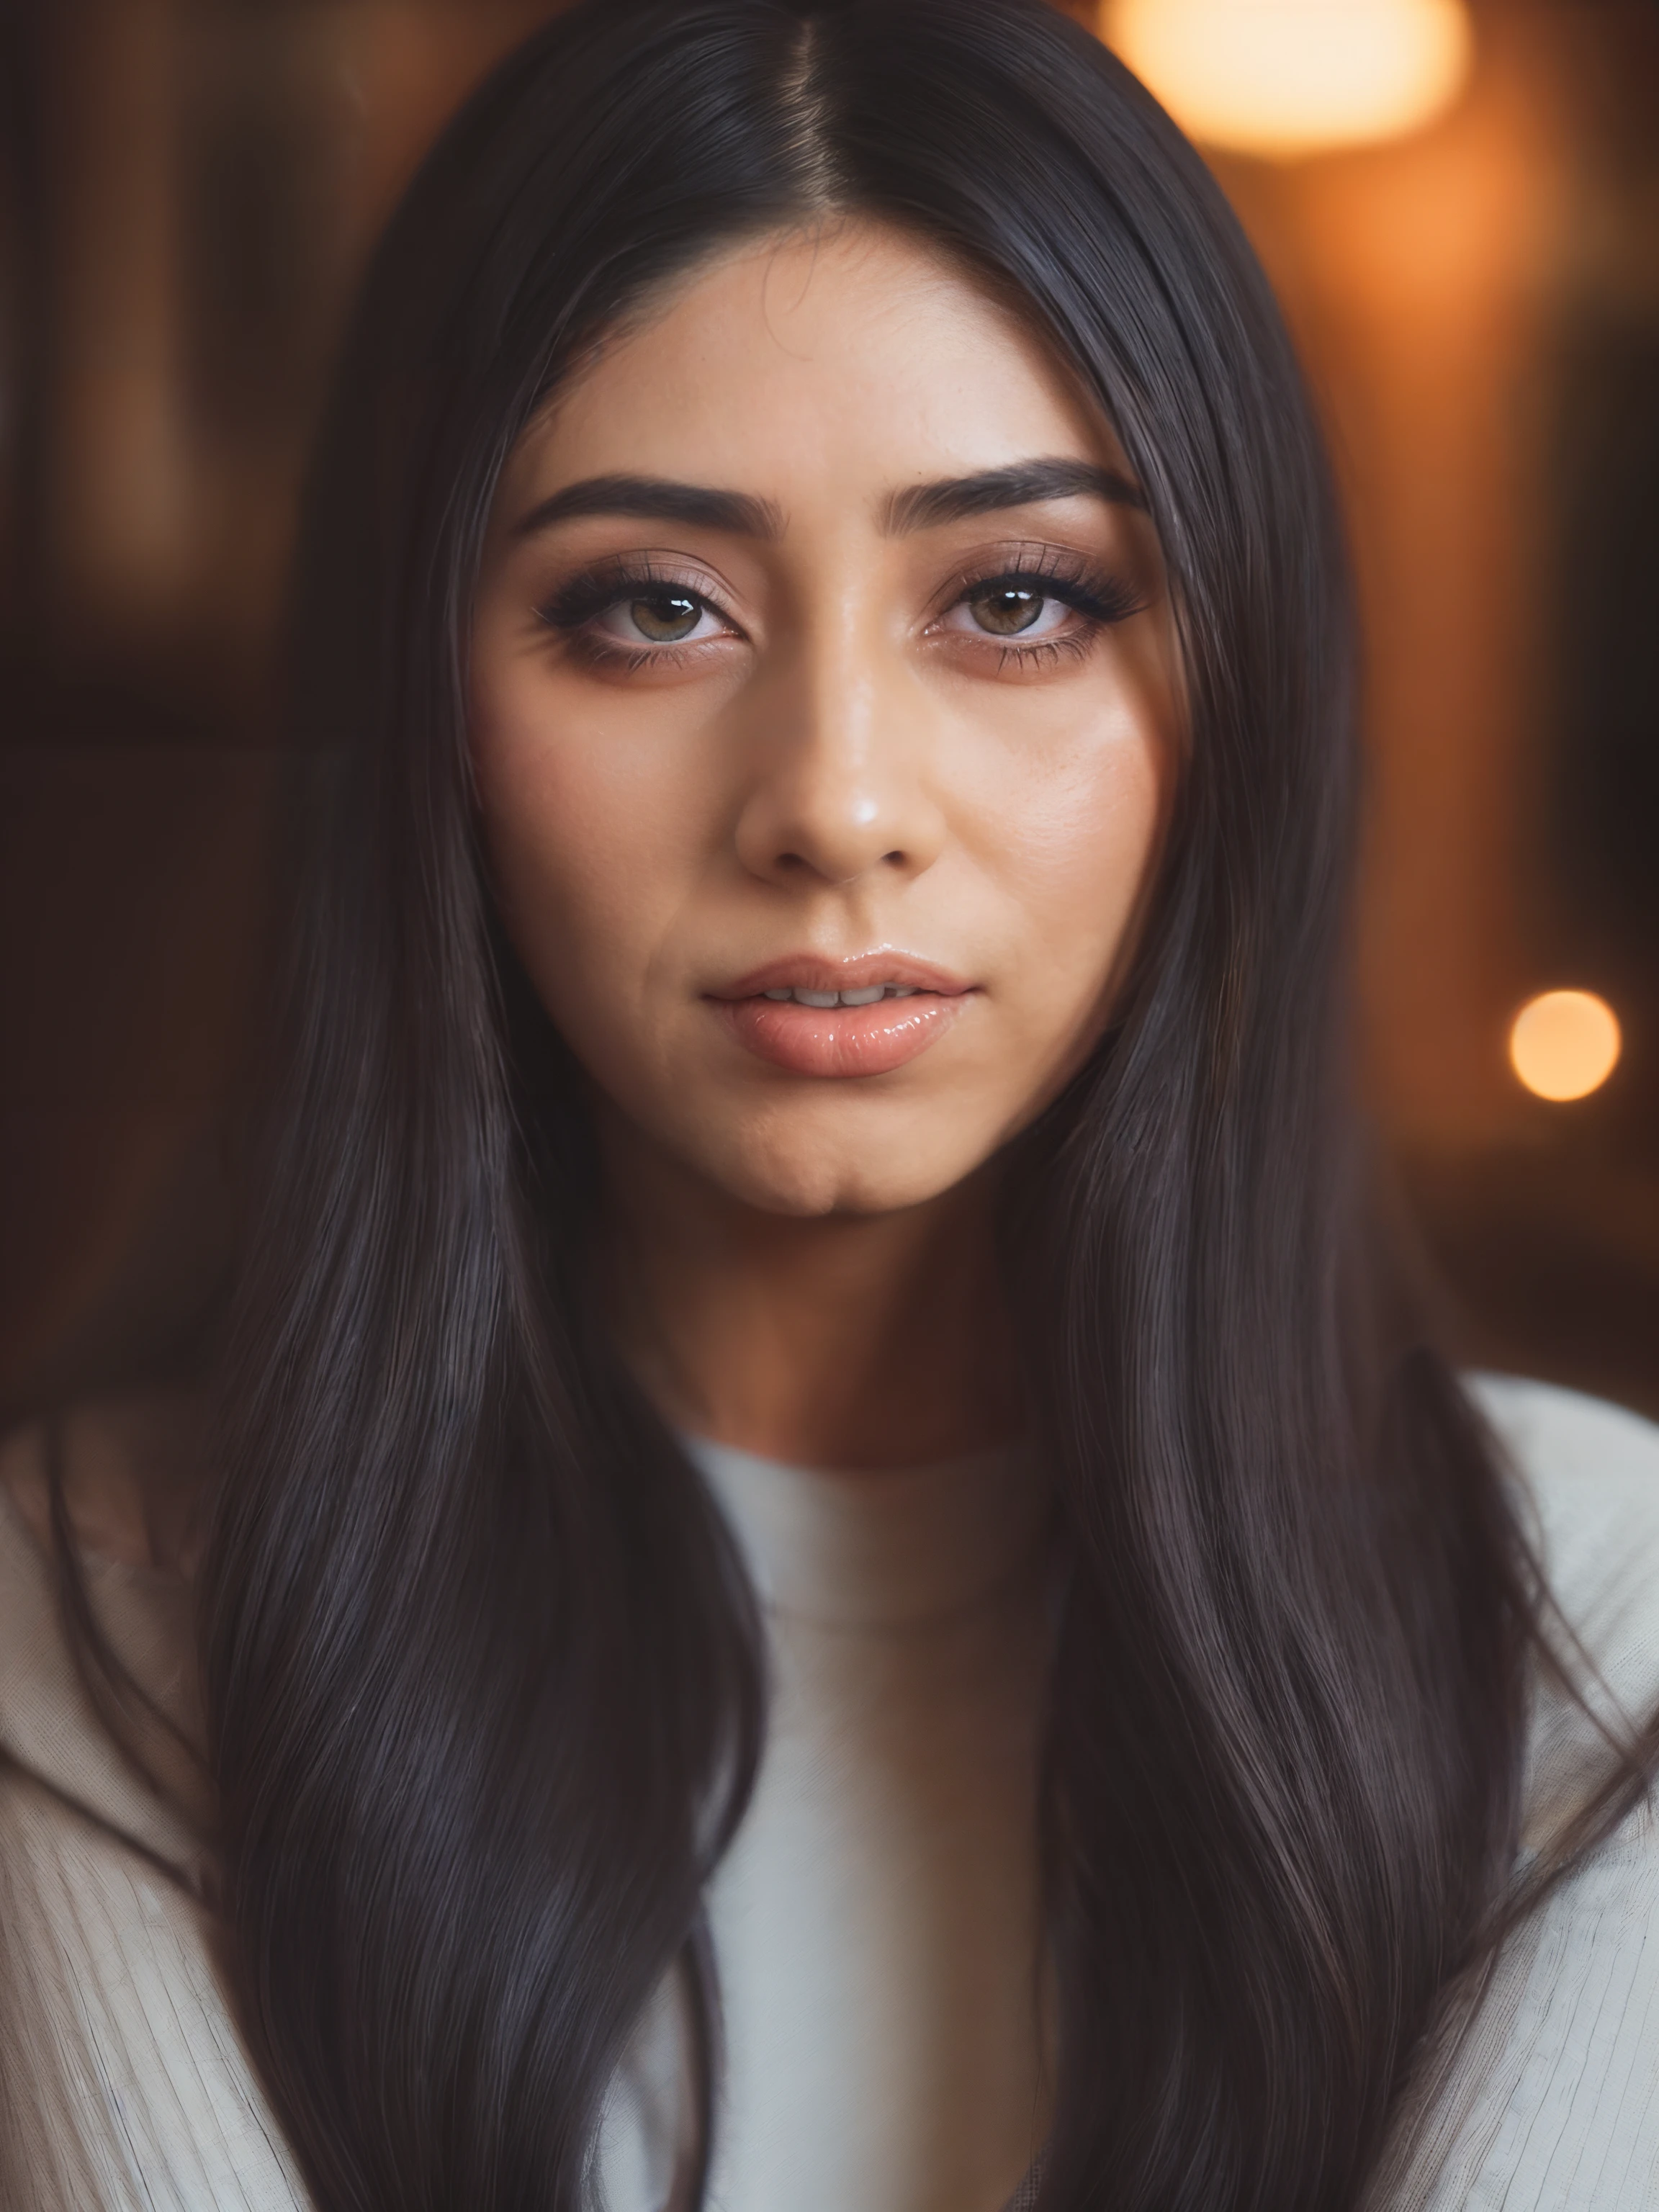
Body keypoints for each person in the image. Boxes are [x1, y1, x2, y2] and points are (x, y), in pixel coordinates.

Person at [4, 1, 1659, 2206]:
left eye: (1017, 598)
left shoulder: (1604, 1640)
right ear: (426, 711)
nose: (839, 804)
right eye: (652, 607)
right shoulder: (94, 1619)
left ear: (1243, 692)